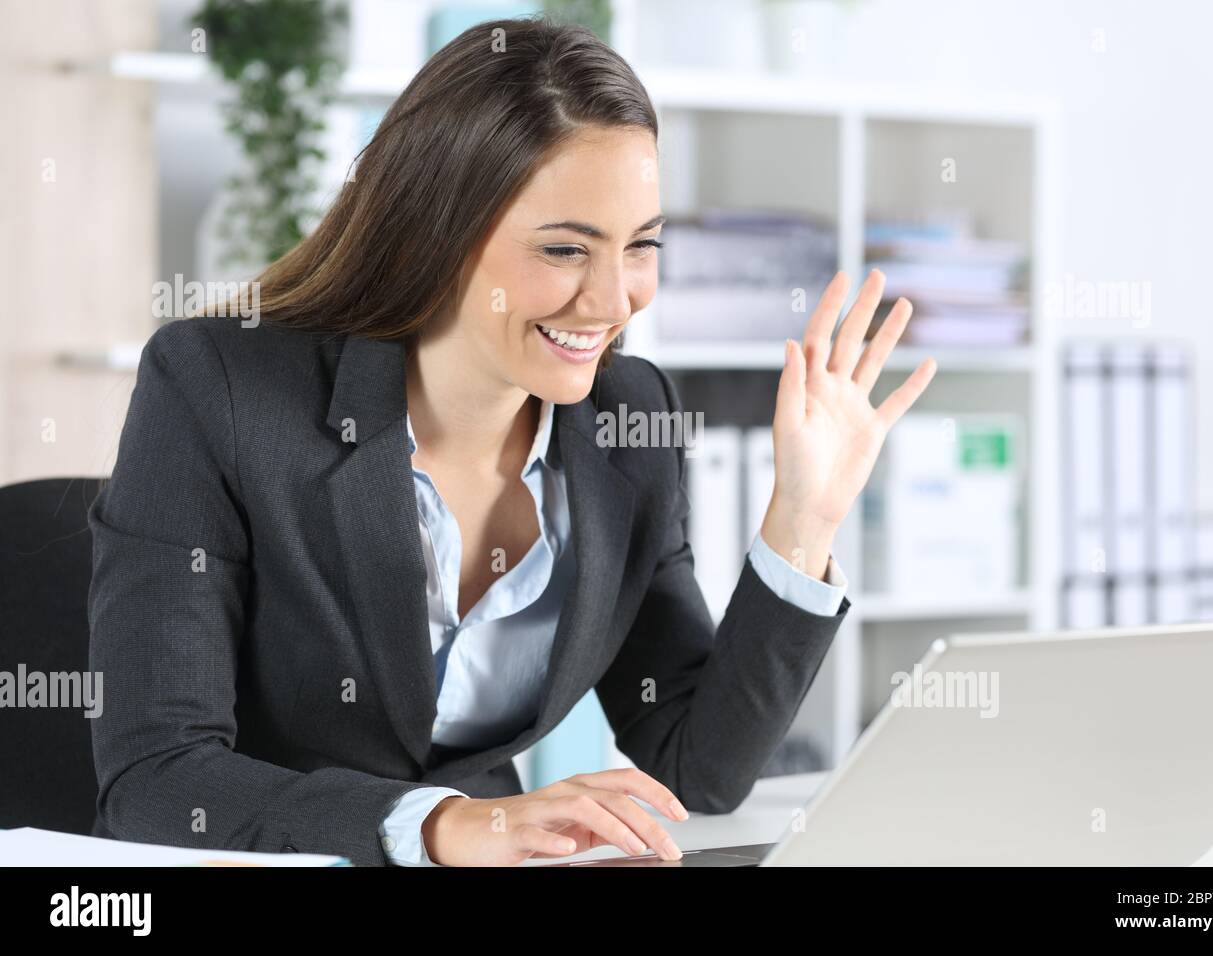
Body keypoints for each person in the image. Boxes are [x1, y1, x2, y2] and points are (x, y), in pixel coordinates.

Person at [87, 16, 935, 866]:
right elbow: (158, 778)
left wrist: (802, 518)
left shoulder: (627, 423)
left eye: (642, 246)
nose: (613, 300)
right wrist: (442, 823)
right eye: (566, 248)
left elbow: (698, 767)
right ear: (436, 234)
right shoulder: (217, 387)